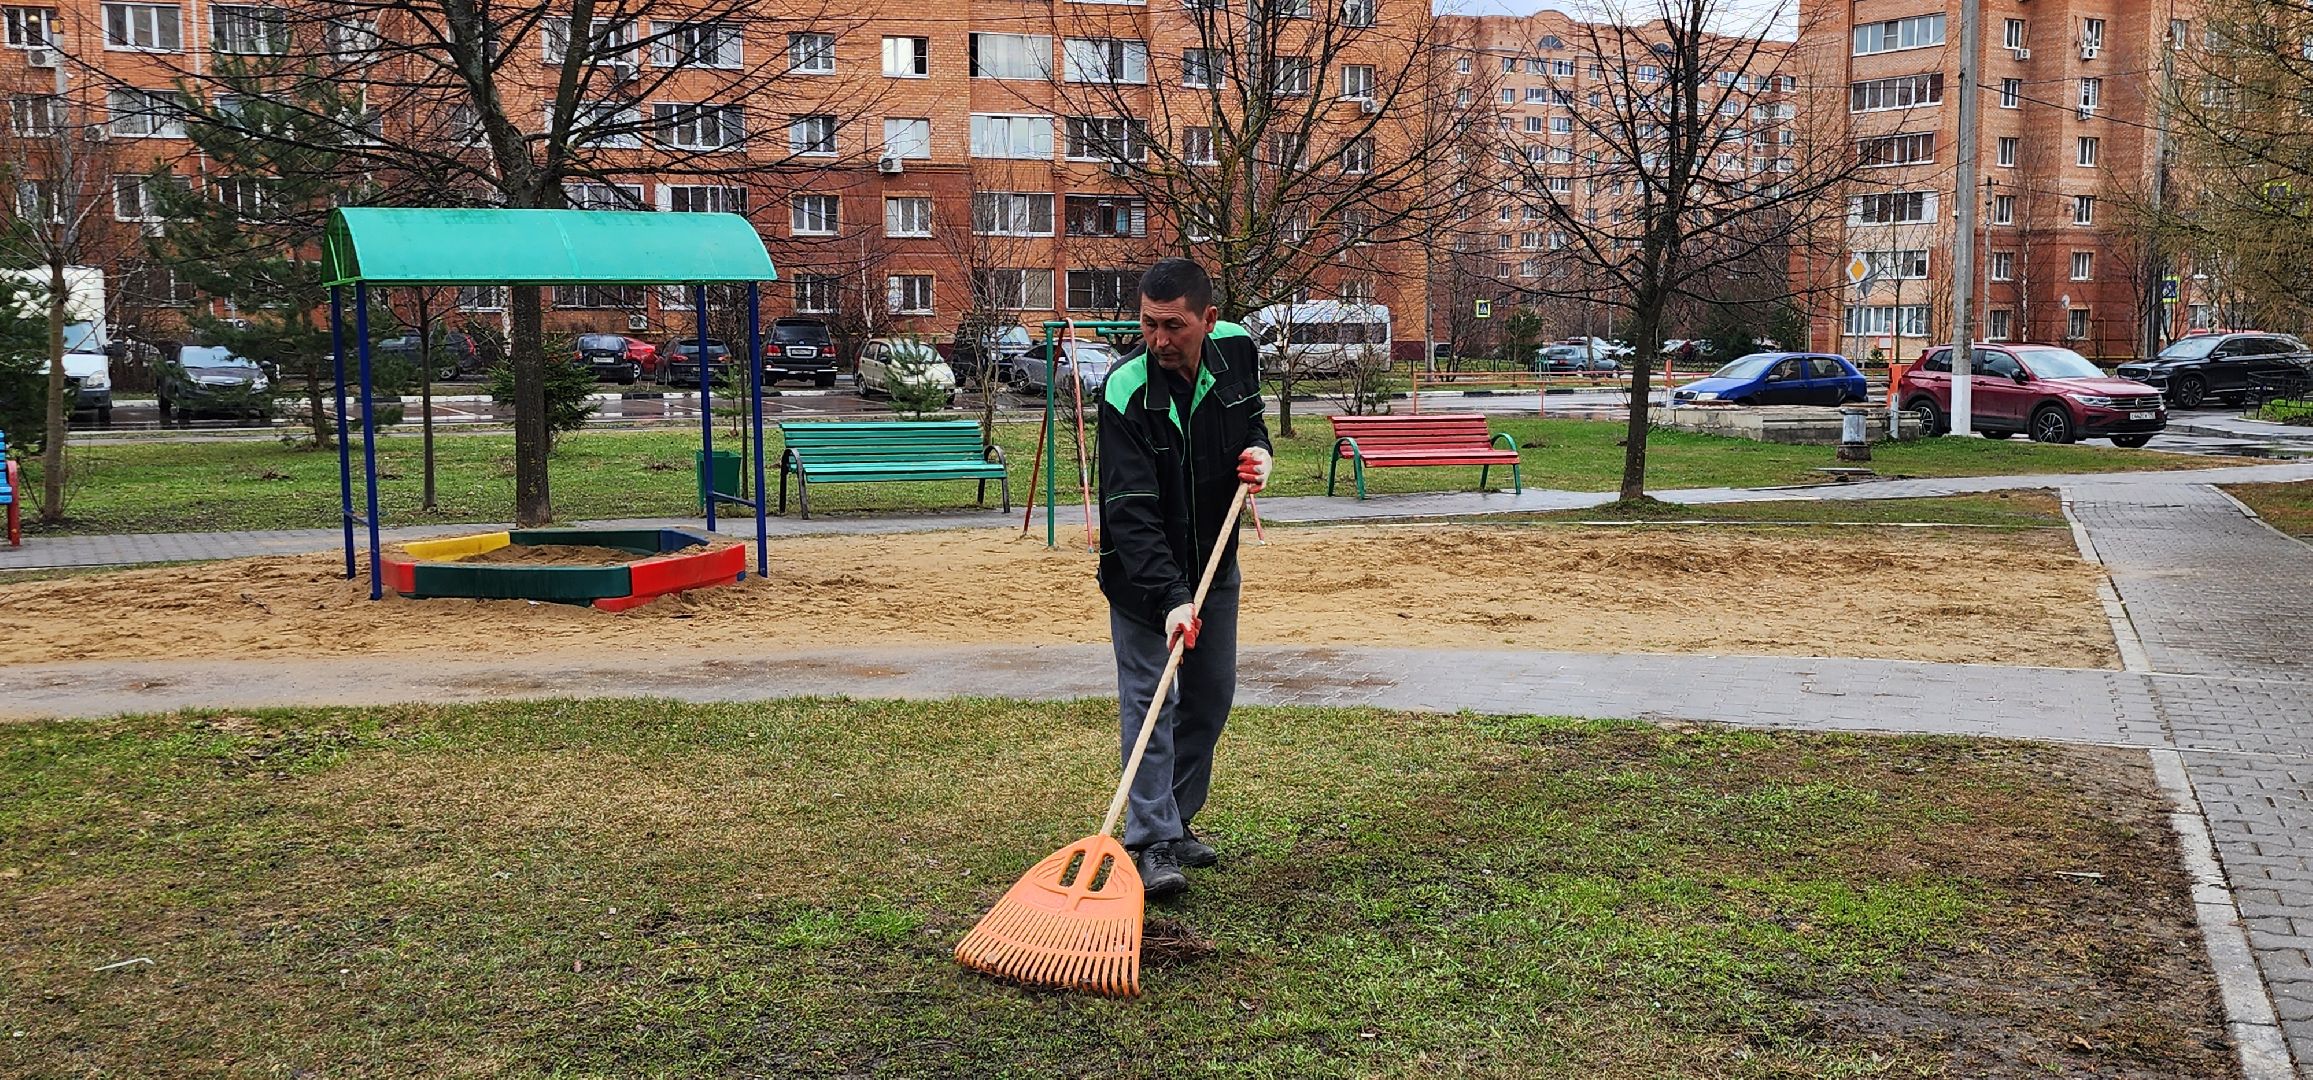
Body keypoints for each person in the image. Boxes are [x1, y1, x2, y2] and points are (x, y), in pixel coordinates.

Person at [1096, 258, 1272, 900]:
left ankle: (1176, 817)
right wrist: (1170, 599)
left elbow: (1252, 422)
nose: (1159, 339)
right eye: (1149, 324)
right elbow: (1129, 511)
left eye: (1174, 326)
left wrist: (1261, 454)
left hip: (1214, 563)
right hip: (1143, 579)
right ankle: (1150, 841)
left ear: (1209, 320)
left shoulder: (1238, 351)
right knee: (1153, 702)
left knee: (1209, 697)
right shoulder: (1126, 389)